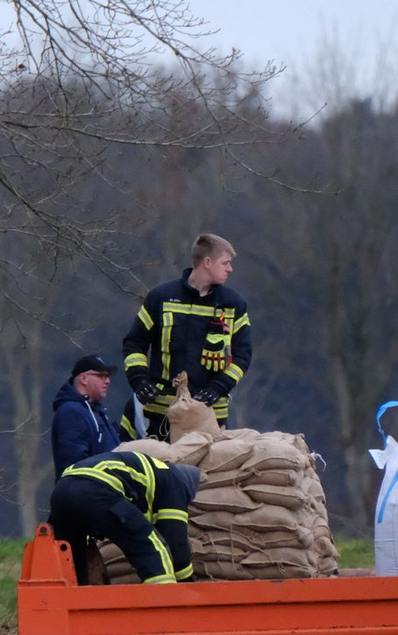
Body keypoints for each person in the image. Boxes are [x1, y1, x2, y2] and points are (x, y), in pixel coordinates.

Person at [120, 233, 252, 441]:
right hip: (161, 414)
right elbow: (134, 344)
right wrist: (139, 379)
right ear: (207, 262)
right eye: (225, 263)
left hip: (210, 415)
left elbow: (243, 356)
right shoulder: (160, 298)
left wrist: (219, 387)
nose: (230, 269)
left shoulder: (233, 304)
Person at [49, 452, 201, 586]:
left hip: (61, 492)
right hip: (95, 490)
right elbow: (175, 540)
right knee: (150, 547)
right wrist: (186, 583)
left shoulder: (156, 473)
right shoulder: (176, 482)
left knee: (72, 561)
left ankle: (74, 609)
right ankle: (166, 605)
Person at [51, 354, 122, 476]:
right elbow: (76, 465)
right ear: (84, 379)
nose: (108, 381)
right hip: (88, 491)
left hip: (105, 490)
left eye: (108, 376)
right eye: (101, 376)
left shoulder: (96, 412)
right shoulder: (71, 412)